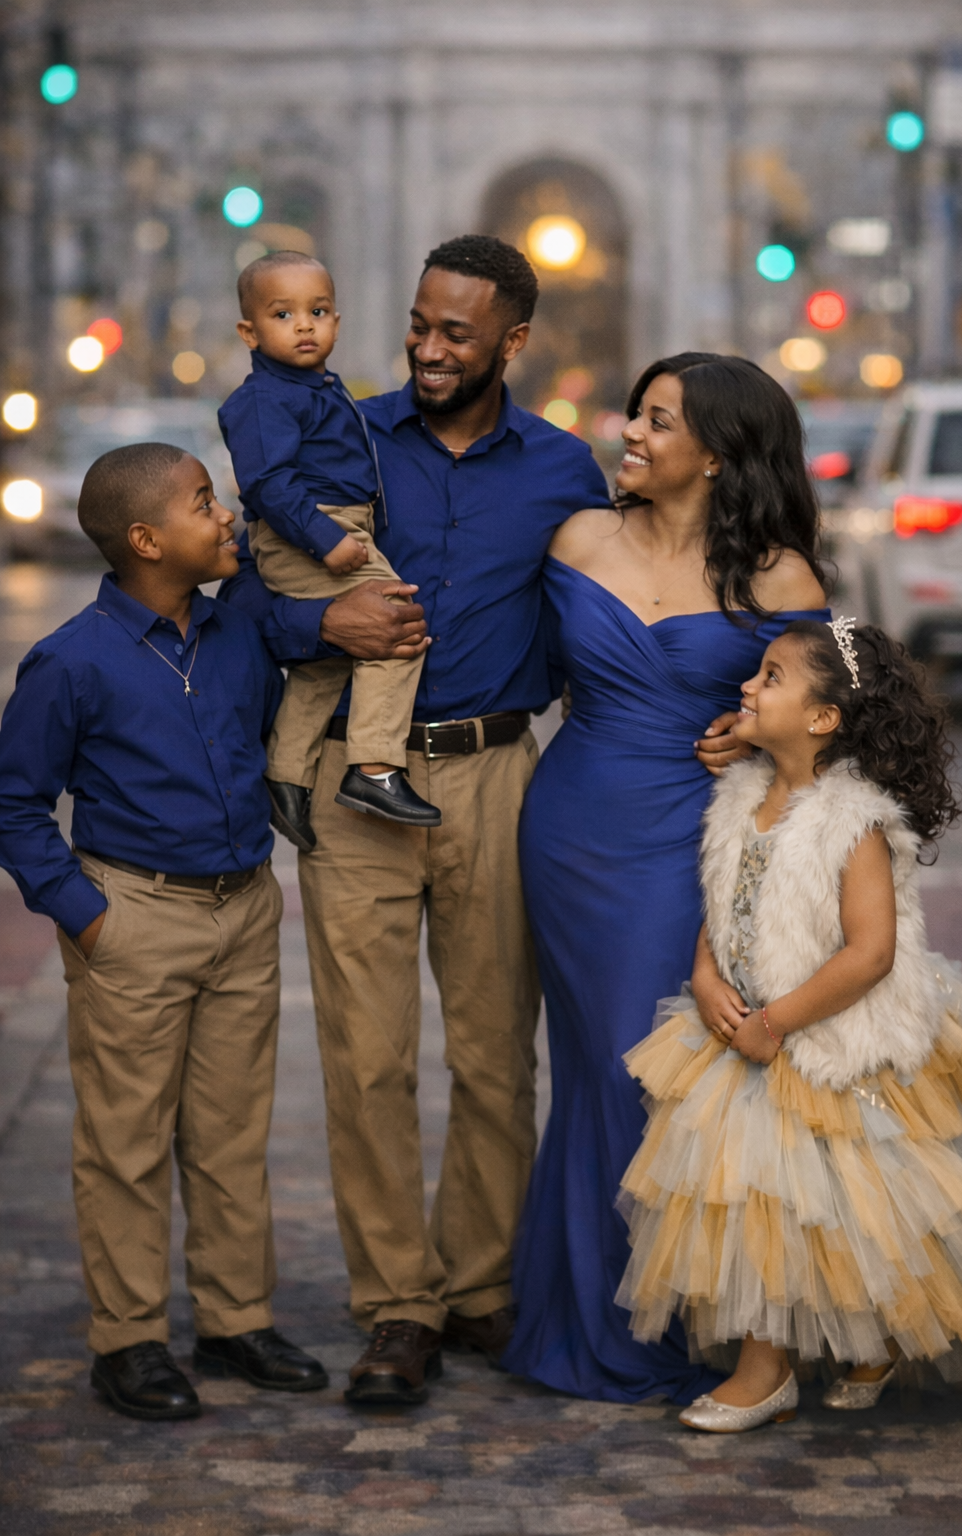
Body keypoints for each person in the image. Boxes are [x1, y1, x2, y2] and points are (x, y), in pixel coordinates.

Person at [219, 234, 624, 1405]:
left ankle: (480, 1286)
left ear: (512, 342)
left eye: (457, 332)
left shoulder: (561, 471)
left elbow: (599, 624)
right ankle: (397, 1305)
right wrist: (319, 632)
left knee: (499, 1054)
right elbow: (253, 592)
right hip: (358, 781)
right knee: (368, 1058)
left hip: (498, 776)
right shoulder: (337, 432)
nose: (429, 348)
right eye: (418, 323)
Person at [503, 353, 831, 1404]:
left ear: (719, 456)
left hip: (691, 839)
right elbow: (519, 666)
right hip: (571, 823)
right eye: (636, 415)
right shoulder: (576, 538)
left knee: (670, 1067)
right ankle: (596, 1317)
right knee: (597, 1062)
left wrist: (751, 728)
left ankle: (698, 1317)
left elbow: (834, 725)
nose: (630, 434)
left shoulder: (781, 578)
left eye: (656, 422)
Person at [618, 619, 962, 1432]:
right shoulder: (741, 794)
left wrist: (778, 1021)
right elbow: (722, 896)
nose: (747, 687)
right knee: (764, 1203)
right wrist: (704, 976)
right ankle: (796, 1356)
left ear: (823, 719)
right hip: (745, 1027)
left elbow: (870, 953)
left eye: (770, 678)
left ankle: (779, 1366)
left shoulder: (853, 822)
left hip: (829, 1035)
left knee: (848, 1204)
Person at [0, 444, 327, 1421]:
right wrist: (87, 916)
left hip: (243, 908)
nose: (224, 514)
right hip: (134, 917)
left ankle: (236, 1318)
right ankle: (130, 1340)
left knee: (231, 1131)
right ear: (147, 540)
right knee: (127, 1141)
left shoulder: (238, 638)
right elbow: (16, 804)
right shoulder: (71, 662)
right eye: (201, 503)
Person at [220, 248, 440, 845]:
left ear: (337, 322)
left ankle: (286, 773)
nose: (305, 325)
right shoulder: (263, 399)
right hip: (310, 531)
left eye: (317, 311)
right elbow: (265, 483)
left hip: (334, 525)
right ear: (249, 331)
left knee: (330, 656)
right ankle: (374, 767)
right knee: (397, 628)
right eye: (283, 314)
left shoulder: (316, 387)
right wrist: (327, 541)